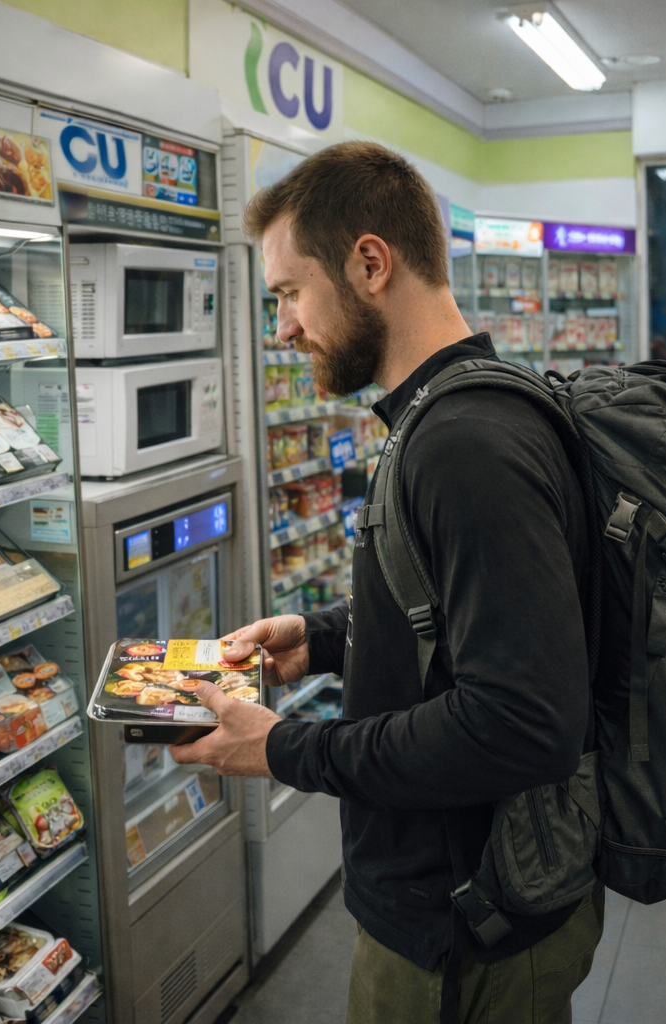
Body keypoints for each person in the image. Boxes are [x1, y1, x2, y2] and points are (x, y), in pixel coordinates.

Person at [167, 141, 599, 1023]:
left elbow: (524, 726)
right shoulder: (455, 411)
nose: (282, 325)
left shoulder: (465, 443)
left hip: (465, 930)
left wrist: (285, 749)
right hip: (459, 903)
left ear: (370, 263)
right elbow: (454, 608)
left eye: (290, 291)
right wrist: (326, 635)